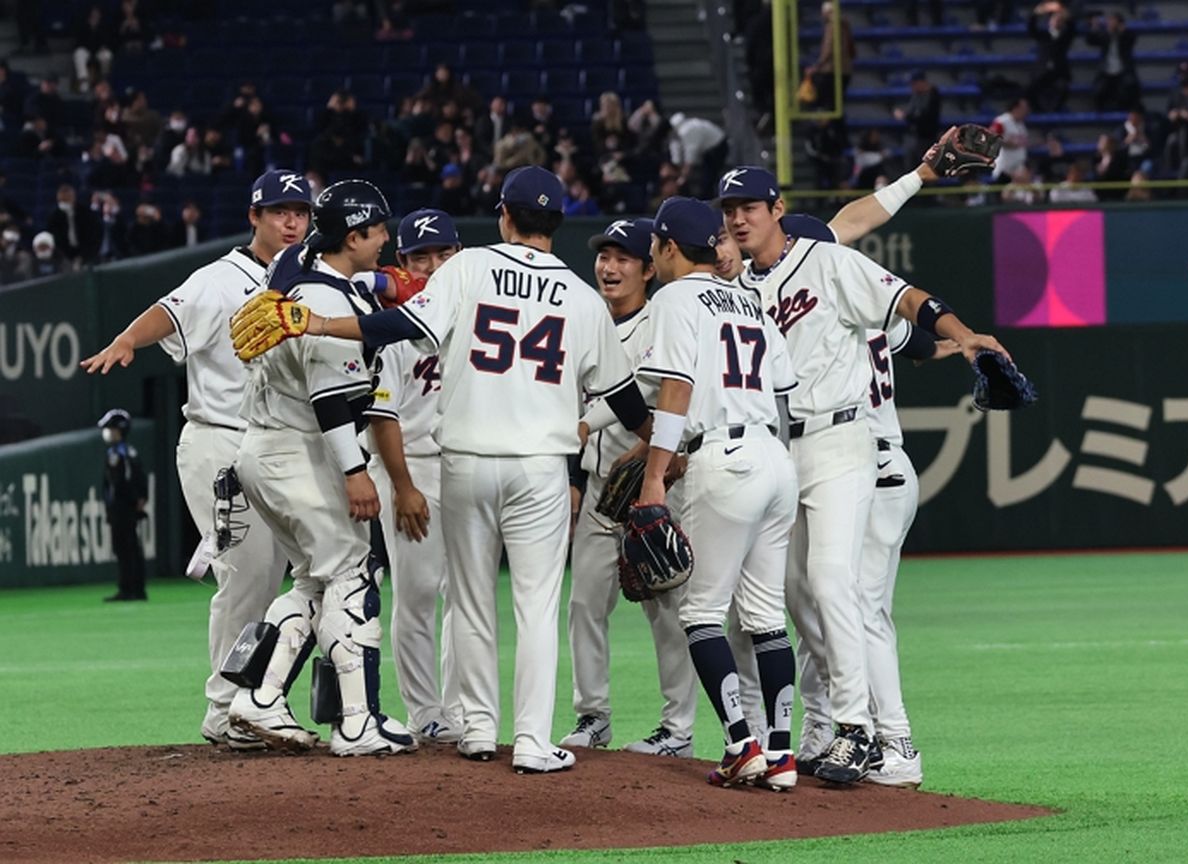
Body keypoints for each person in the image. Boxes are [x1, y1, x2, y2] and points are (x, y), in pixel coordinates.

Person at [232, 165, 654, 773]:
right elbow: (622, 397)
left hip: (464, 463)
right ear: (558, 223)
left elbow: (400, 322)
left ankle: (478, 728)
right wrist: (658, 444)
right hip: (538, 466)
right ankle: (533, 742)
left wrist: (319, 322)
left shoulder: (468, 268)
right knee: (535, 606)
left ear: (503, 216)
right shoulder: (584, 300)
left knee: (472, 601)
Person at [719, 165, 1011, 783]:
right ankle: (830, 727)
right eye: (730, 209)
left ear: (776, 208)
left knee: (833, 581)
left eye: (749, 206)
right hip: (778, 450)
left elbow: (908, 298)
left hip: (842, 438)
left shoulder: (829, 262)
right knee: (796, 595)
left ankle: (860, 730)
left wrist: (964, 335)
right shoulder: (739, 286)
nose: (739, 217)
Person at [80, 170, 311, 751]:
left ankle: (258, 698)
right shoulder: (222, 277)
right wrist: (129, 340)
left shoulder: (311, 280)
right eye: (278, 211)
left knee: (303, 574)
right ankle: (223, 707)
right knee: (250, 572)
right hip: (220, 439)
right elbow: (170, 311)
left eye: (300, 212)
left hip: (281, 446)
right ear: (253, 216)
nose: (290, 222)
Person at [228, 179, 418, 757]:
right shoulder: (331, 302)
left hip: (264, 448)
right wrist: (355, 472)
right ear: (354, 235)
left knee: (313, 578)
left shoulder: (296, 263)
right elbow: (332, 403)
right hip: (303, 448)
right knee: (352, 575)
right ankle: (358, 722)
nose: (386, 239)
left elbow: (295, 254)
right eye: (379, 230)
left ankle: (260, 699)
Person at [630, 197, 800, 788]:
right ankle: (780, 754)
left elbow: (675, 390)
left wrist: (654, 476)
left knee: (701, 613)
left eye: (655, 243)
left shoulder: (674, 298)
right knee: (765, 616)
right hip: (775, 457)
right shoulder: (750, 301)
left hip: (722, 457)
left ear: (668, 247)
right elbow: (782, 389)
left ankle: (740, 744)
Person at [562, 217, 698, 758]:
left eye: (623, 258)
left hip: (654, 491)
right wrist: (574, 479)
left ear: (649, 268)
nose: (609, 266)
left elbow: (653, 397)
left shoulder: (661, 322)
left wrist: (591, 429)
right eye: (604, 255)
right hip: (600, 491)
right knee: (584, 605)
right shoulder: (584, 322)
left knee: (666, 609)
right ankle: (592, 717)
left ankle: (678, 730)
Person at [361, 208, 464, 745]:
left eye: (444, 253)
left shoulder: (473, 311)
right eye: (420, 256)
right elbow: (383, 414)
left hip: (467, 465)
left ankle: (461, 705)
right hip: (414, 467)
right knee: (420, 592)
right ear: (401, 263)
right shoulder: (394, 326)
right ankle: (426, 709)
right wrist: (402, 487)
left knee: (466, 597)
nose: (433, 264)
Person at [98, 409, 148, 602]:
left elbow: (122, 482)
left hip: (122, 508)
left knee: (125, 548)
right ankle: (136, 589)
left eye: (111, 429)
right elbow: (140, 479)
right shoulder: (129, 452)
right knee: (131, 547)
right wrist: (141, 499)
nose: (108, 433)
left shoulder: (119, 453)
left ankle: (129, 589)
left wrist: (132, 501)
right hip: (126, 507)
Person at [1086, 11, 1139, 112]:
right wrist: (1094, 27)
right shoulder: (1105, 36)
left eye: (1113, 22)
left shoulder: (1126, 36)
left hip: (1123, 71)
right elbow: (1090, 40)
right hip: (1106, 71)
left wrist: (1122, 31)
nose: (1110, 24)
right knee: (1098, 90)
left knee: (1130, 86)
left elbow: (1132, 38)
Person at [1026, 1, 1074, 113]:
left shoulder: (1065, 37)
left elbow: (1072, 27)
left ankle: (1057, 110)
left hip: (1059, 70)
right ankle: (1037, 110)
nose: (1057, 21)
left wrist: (1062, 11)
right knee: (1031, 89)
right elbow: (1031, 29)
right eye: (1054, 19)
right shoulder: (1043, 35)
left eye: (1059, 19)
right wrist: (1036, 13)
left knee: (1064, 87)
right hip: (1043, 70)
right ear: (1050, 21)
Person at [990, 98, 1030, 181]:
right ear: (1016, 108)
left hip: (1018, 167)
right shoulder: (1002, 121)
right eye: (1024, 108)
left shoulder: (1021, 125)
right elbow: (991, 137)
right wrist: (1006, 143)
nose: (1026, 111)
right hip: (1004, 168)